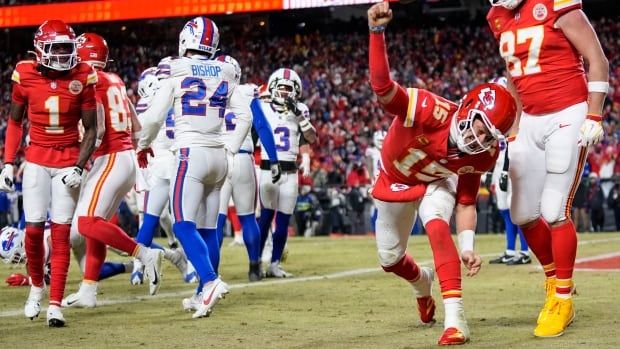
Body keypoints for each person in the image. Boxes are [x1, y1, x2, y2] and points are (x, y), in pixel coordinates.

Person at [367, 2, 517, 345]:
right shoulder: (430, 110)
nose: (477, 139)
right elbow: (383, 90)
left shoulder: (483, 155)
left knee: (436, 222)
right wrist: (377, 32)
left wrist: (467, 245)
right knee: (389, 258)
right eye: (479, 127)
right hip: (395, 179)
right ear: (467, 107)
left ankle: (456, 320)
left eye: (487, 137)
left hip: (436, 180)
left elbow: (466, 201)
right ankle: (423, 283)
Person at [487, 0, 609, 337]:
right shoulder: (497, 16)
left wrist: (594, 114)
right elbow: (514, 75)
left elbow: (597, 60)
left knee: (555, 209)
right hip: (528, 119)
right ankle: (554, 280)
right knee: (522, 213)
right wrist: (513, 129)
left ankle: (564, 299)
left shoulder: (555, 3)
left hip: (567, 112)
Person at [137, 16, 252, 319]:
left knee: (182, 224)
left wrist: (143, 143)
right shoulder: (227, 69)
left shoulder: (175, 68)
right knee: (209, 228)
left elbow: (152, 118)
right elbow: (246, 117)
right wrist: (230, 147)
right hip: (219, 155)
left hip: (191, 153)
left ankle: (211, 281)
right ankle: (203, 291)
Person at [0, 20, 99, 327]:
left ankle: (55, 304)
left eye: (66, 48)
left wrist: (79, 166)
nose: (61, 54)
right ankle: (35, 287)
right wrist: (7, 162)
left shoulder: (83, 75)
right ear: (41, 48)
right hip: (37, 159)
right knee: (32, 230)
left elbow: (91, 128)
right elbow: (15, 123)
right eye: (55, 48)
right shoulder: (25, 73)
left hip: (68, 159)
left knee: (60, 235)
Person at [59, 33, 165, 308]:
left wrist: (80, 163)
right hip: (125, 156)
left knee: (85, 224)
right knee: (97, 225)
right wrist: (138, 151)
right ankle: (89, 291)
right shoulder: (115, 79)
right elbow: (137, 127)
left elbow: (99, 130)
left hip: (111, 157)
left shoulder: (90, 82)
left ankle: (144, 253)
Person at [130, 67, 191, 286]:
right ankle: (189, 264)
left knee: (149, 220)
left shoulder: (145, 109)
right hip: (180, 163)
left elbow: (138, 139)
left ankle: (138, 266)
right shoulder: (177, 105)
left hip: (156, 167)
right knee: (183, 220)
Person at [215, 83, 281, 282]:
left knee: (216, 220)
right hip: (243, 156)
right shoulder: (246, 93)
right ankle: (254, 267)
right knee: (248, 217)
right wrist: (274, 159)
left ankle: (211, 273)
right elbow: (262, 125)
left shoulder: (207, 90)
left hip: (218, 158)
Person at [256, 67, 317, 278]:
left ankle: (274, 264)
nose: (284, 93)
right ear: (272, 87)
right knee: (264, 218)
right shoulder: (262, 106)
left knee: (283, 221)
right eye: (281, 88)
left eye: (288, 89)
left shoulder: (300, 109)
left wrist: (299, 115)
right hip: (267, 168)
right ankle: (255, 262)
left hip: (290, 172)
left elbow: (311, 137)